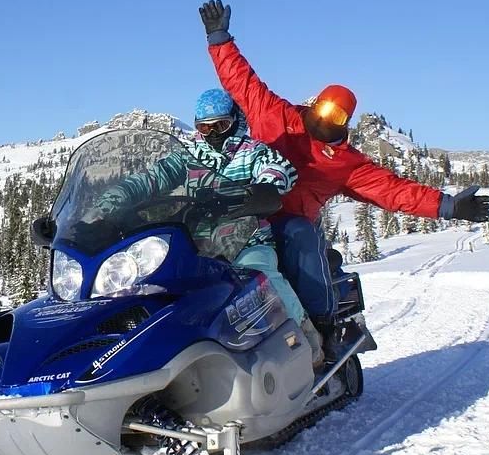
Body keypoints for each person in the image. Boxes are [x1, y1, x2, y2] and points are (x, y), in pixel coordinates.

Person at [197, 0, 489, 352]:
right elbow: (241, 81)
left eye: (338, 116)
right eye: (325, 108)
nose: (327, 118)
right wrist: (219, 39)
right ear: (316, 103)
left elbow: (393, 190)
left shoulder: (345, 163)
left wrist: (447, 206)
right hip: (240, 215)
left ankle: (323, 327)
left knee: (298, 233)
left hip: (286, 222)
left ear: (346, 122)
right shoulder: (276, 114)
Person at [87, 88, 327, 368]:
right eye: (204, 127)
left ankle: (308, 340)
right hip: (200, 246)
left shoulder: (252, 152)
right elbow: (149, 179)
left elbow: (279, 168)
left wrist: (263, 188)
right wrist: (104, 209)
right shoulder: (189, 157)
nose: (213, 134)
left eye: (220, 126)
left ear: (234, 122)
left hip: (248, 240)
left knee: (261, 277)